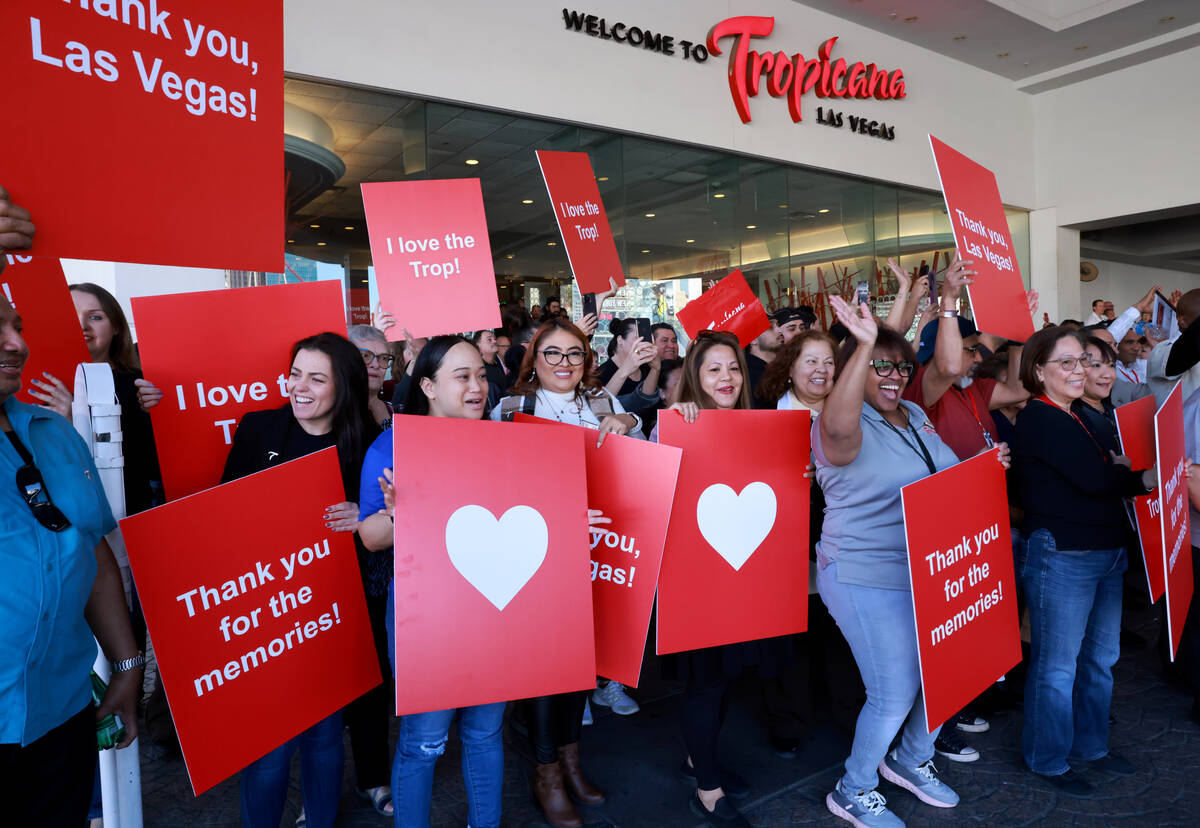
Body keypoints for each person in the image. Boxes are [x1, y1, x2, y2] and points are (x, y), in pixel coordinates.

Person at [817, 295, 991, 827]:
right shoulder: (839, 425)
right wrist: (863, 344)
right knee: (893, 692)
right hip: (863, 572)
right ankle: (854, 787)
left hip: (931, 567)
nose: (892, 377)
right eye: (878, 366)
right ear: (854, 369)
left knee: (948, 673)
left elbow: (942, 476)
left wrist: (984, 467)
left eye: (899, 366)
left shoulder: (915, 414)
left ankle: (911, 758)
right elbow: (842, 427)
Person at [1, 273, 144, 826]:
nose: (18, 343)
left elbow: (91, 548)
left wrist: (128, 664)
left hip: (61, 714)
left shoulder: (54, 433)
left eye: (17, 326)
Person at [223, 332, 380, 828]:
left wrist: (364, 514)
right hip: (265, 611)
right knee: (269, 748)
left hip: (331, 612)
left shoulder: (365, 443)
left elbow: (381, 528)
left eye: (317, 377)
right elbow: (222, 511)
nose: (301, 387)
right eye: (295, 374)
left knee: (324, 737)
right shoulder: (257, 428)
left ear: (345, 386)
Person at [358, 335, 506, 828]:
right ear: (427, 385)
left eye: (482, 375)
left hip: (495, 614)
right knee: (423, 744)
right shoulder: (394, 445)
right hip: (429, 623)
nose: (477, 387)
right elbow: (371, 536)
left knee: (486, 734)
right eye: (462, 376)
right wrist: (405, 515)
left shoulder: (503, 441)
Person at [490, 316, 626, 827]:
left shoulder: (600, 403)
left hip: (595, 554)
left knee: (580, 668)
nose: (564, 363)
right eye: (552, 353)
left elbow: (633, 447)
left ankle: (571, 761)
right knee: (547, 670)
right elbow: (495, 479)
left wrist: (626, 421)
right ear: (533, 359)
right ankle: (545, 772)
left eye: (574, 353)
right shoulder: (511, 408)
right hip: (537, 556)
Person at [1012, 326, 1156, 797]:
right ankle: (1047, 758)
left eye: (1085, 361)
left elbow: (1104, 474)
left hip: (1106, 551)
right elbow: (1097, 480)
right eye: (1067, 363)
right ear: (1039, 371)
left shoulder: (1075, 415)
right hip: (1064, 556)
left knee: (1100, 660)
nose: (1081, 371)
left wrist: (1117, 472)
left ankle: (1091, 747)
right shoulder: (1040, 417)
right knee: (1057, 667)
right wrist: (1137, 476)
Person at [650, 331, 772, 827]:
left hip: (740, 575)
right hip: (694, 581)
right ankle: (707, 789)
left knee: (724, 680)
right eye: (713, 369)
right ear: (695, 379)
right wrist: (673, 427)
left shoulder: (755, 426)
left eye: (734, 368)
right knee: (705, 682)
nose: (726, 378)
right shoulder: (677, 425)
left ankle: (700, 761)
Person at [755, 330, 836, 412]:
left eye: (829, 362)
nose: (822, 369)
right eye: (812, 361)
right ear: (790, 369)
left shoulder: (847, 409)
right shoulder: (766, 412)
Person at [598, 318, 660, 423]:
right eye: (637, 339)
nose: (642, 343)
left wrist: (656, 369)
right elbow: (600, 408)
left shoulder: (646, 367)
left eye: (645, 339)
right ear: (620, 340)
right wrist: (625, 370)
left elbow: (646, 401)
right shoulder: (602, 373)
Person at [349, 324, 395, 430]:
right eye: (365, 356)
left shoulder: (396, 411)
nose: (376, 364)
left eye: (383, 358)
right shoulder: (332, 414)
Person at [744, 320, 783, 410]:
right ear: (753, 339)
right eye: (770, 327)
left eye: (778, 325)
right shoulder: (750, 375)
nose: (779, 330)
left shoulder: (776, 369)